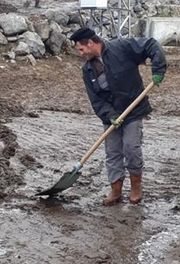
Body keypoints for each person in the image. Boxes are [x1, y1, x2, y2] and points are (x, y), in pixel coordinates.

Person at [69, 27, 167, 205]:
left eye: (81, 49)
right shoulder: (88, 70)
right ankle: (116, 190)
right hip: (112, 116)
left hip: (133, 109)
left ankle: (136, 186)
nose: (81, 54)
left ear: (90, 43)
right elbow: (96, 100)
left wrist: (158, 69)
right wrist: (110, 115)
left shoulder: (122, 47)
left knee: (131, 148)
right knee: (113, 152)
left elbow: (151, 45)